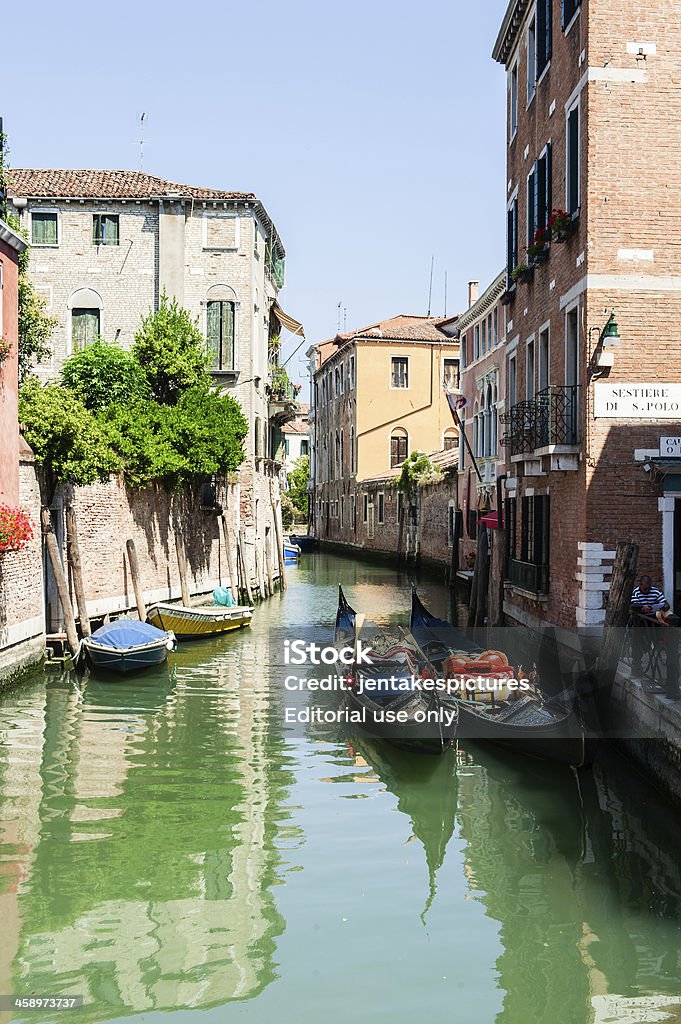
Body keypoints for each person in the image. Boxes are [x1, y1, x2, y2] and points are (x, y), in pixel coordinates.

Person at [630, 576, 671, 678]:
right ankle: (639, 658)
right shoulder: (636, 592)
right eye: (645, 589)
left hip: (652, 617)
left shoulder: (656, 592)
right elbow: (634, 605)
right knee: (639, 635)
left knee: (659, 625)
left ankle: (656, 643)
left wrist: (664, 606)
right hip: (639, 619)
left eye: (648, 588)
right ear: (640, 585)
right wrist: (643, 608)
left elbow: (666, 604)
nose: (647, 591)